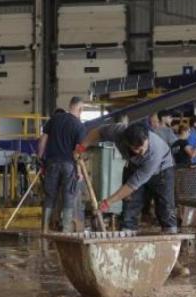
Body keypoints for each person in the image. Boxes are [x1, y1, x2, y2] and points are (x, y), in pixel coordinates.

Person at [77, 122, 177, 234]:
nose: (141, 152)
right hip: (134, 164)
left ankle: (170, 236)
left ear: (147, 137)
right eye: (137, 149)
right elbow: (97, 132)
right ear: (127, 143)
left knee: (165, 207)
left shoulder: (154, 152)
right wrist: (81, 147)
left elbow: (132, 184)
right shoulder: (117, 131)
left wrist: (107, 202)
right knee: (130, 204)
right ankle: (127, 233)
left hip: (162, 169)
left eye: (143, 147)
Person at [37, 97, 86, 232]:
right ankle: (65, 230)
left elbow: (43, 140)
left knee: (50, 196)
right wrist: (80, 171)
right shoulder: (79, 126)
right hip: (69, 165)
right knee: (68, 196)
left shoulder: (54, 119)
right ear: (80, 109)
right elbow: (78, 151)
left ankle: (45, 229)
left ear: (69, 105)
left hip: (51, 163)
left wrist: (40, 158)